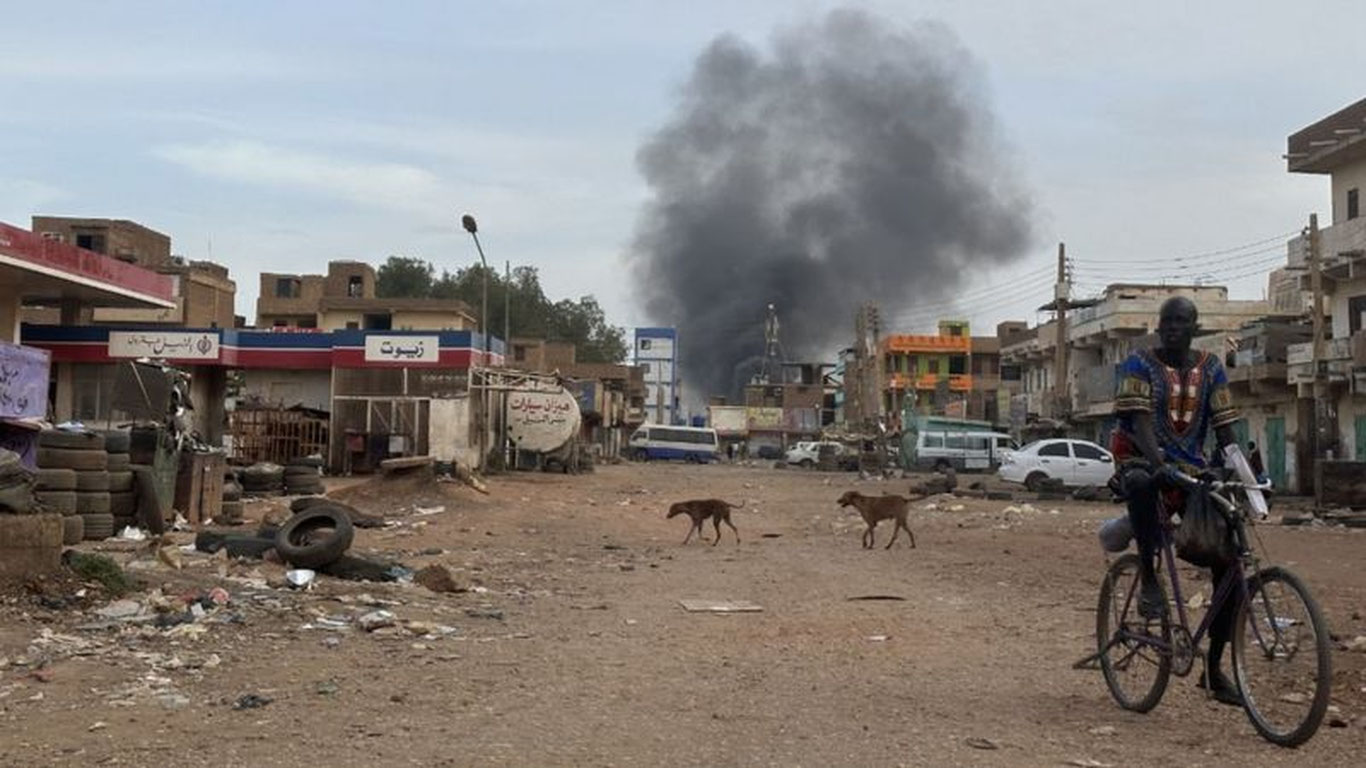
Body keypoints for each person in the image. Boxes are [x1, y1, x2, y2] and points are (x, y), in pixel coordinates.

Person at [1111, 296, 1242, 706]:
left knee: (1231, 562)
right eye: (1166, 321)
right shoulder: (1138, 363)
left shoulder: (1212, 368)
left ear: (1193, 327)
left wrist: (1243, 473)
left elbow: (1225, 430)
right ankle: (1149, 576)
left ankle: (1214, 670)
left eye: (1180, 321)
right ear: (1159, 325)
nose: (1172, 327)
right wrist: (1158, 462)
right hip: (1140, 458)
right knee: (1141, 483)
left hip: (1193, 469)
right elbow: (1139, 421)